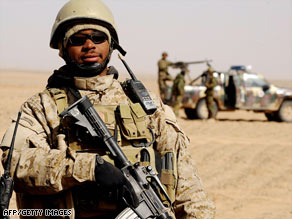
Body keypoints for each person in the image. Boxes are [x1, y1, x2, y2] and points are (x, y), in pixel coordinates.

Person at [0, 0, 215, 218]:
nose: (90, 45)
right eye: (78, 39)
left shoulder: (147, 105)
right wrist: (88, 168)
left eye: (98, 38)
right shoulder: (41, 107)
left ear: (111, 45)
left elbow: (188, 187)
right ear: (63, 47)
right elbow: (16, 165)